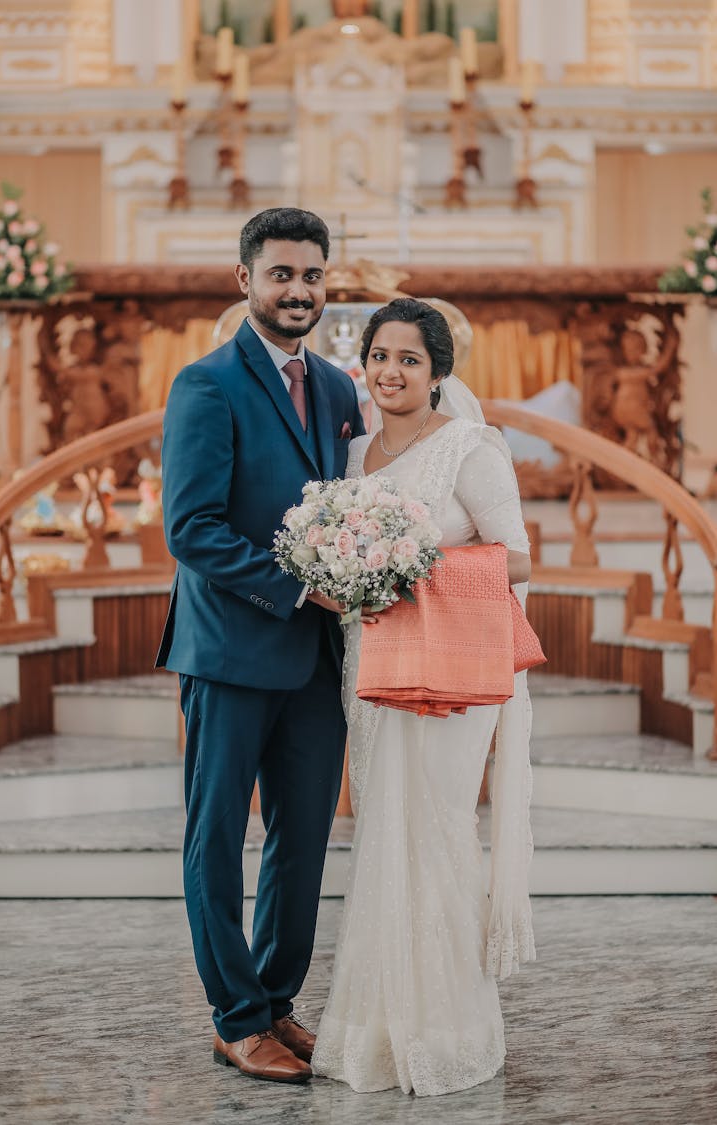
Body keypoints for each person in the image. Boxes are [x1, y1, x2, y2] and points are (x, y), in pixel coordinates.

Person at [156, 208, 365, 1084]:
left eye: (312, 276)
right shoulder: (206, 385)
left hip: (315, 658)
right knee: (216, 840)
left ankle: (278, 1000)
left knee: (304, 837)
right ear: (245, 279)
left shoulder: (342, 389)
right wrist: (297, 586)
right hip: (232, 651)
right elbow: (191, 528)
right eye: (281, 274)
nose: (298, 291)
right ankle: (235, 1016)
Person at [312, 297, 536, 1097]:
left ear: (439, 372)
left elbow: (516, 558)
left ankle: (450, 1024)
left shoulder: (472, 447)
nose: (391, 371)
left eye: (410, 358)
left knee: (437, 828)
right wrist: (349, 580)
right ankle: (380, 1021)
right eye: (380, 356)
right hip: (372, 663)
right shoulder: (356, 454)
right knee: (383, 829)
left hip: (450, 669)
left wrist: (408, 565)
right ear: (363, 365)